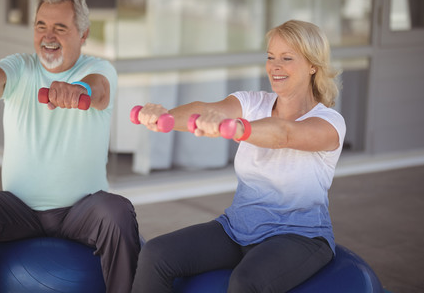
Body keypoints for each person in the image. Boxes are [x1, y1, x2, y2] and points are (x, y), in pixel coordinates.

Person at [0, 0, 140, 293]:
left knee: (117, 212)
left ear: (84, 34)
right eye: (41, 26)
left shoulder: (98, 68)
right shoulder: (21, 67)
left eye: (60, 28)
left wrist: (79, 91)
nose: (48, 37)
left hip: (80, 213)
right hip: (18, 211)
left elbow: (98, 90)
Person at [131, 20, 346, 293]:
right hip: (237, 228)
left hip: (299, 236)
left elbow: (285, 134)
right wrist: (166, 117)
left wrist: (240, 128)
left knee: (246, 283)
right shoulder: (253, 102)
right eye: (270, 57)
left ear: (313, 65)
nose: (275, 66)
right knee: (157, 254)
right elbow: (206, 109)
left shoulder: (329, 122)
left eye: (287, 58)